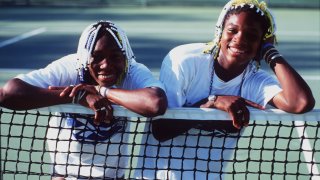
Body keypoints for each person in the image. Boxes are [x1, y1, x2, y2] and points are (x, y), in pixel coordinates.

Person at [149, 0, 315, 179]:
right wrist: (213, 102)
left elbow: (300, 102)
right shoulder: (185, 61)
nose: (240, 38)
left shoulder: (255, 82)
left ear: (261, 43)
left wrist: (270, 52)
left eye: (252, 35)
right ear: (219, 32)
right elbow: (160, 129)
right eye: (232, 30)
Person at [0, 20, 167, 179]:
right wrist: (77, 97)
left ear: (125, 57)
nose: (106, 65)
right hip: (65, 176)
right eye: (97, 57)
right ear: (85, 57)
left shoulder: (132, 71)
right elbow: (8, 94)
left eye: (115, 57)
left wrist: (101, 91)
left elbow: (155, 103)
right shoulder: (69, 68)